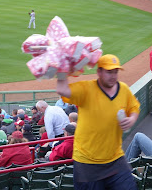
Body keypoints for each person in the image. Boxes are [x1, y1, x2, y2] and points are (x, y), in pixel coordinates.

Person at [56, 54, 140, 189]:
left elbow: (134, 107)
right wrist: (63, 68)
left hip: (115, 158)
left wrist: (132, 119)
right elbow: (61, 90)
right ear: (99, 71)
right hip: (87, 163)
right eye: (109, 72)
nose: (113, 76)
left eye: (115, 72)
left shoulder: (123, 89)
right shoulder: (87, 89)